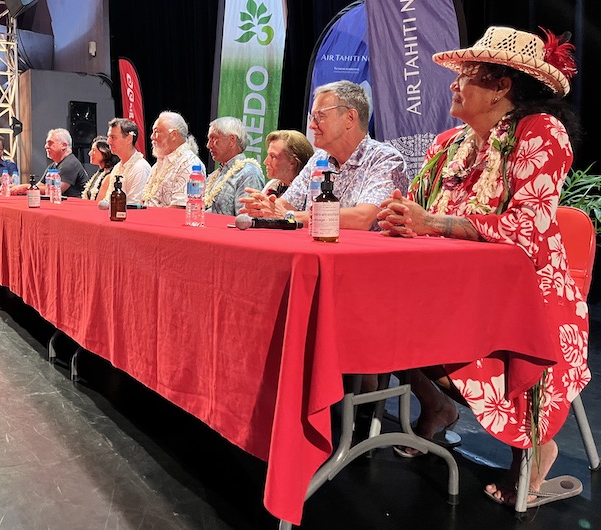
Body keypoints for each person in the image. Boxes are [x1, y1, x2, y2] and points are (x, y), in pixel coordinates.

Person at [376, 26, 589, 508]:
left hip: (527, 295)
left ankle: (535, 444)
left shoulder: (541, 132)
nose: (453, 84)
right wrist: (402, 216)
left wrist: (433, 223)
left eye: (467, 75)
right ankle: (436, 405)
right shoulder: (448, 143)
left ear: (500, 86)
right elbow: (421, 209)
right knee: (379, 316)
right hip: (451, 287)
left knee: (416, 326)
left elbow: (528, 227)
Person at [239, 81, 408, 230]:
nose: (312, 126)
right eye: (312, 117)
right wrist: (264, 208)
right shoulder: (319, 159)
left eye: (319, 117)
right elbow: (283, 206)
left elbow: (363, 218)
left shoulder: (385, 160)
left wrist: (288, 216)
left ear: (350, 118)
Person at [141, 111, 204, 208]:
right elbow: (144, 200)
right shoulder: (159, 163)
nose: (152, 137)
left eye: (156, 132)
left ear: (174, 135)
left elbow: (179, 208)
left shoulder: (189, 164)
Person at [204, 117, 264, 216]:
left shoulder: (249, 174)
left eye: (214, 138)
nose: (208, 145)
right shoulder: (215, 175)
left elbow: (245, 219)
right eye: (209, 139)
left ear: (232, 140)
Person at [11, 128, 89, 198]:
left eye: (50, 143)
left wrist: (25, 188)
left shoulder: (70, 164)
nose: (46, 146)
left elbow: (56, 190)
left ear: (64, 145)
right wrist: (18, 188)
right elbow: (39, 186)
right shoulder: (53, 166)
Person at [97, 118, 151, 203]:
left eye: (113, 137)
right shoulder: (117, 167)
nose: (108, 142)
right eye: (109, 137)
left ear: (129, 139)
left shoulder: (140, 168)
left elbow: (134, 206)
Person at [260, 130, 314, 199]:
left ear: (293, 163)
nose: (266, 162)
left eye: (273, 156)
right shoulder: (271, 185)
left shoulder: (310, 194)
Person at [82, 136, 119, 201]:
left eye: (94, 150)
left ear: (105, 153)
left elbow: (99, 202)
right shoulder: (100, 172)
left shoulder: (109, 176)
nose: (90, 153)